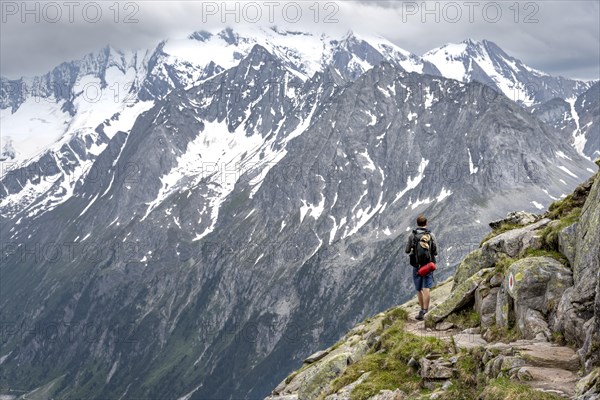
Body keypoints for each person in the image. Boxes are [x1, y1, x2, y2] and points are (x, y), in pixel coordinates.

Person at [405, 214, 438, 321]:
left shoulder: (412, 236)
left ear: (417, 223)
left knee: (419, 289)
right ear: (426, 223)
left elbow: (407, 250)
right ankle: (426, 311)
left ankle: (421, 311)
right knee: (426, 287)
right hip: (428, 265)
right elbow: (435, 251)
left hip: (417, 266)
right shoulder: (431, 235)